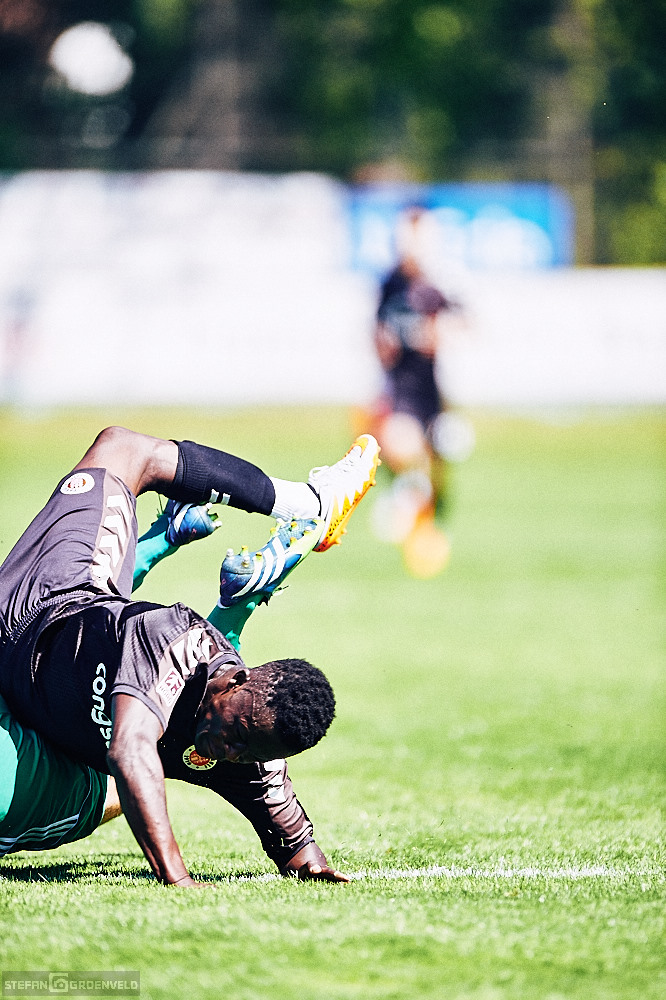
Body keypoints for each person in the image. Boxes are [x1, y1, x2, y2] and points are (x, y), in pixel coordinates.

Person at [0, 427, 380, 886]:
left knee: (117, 788)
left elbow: (295, 840)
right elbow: (129, 748)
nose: (229, 751)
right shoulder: (174, 642)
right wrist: (177, 877)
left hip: (52, 736)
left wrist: (311, 865)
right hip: (40, 608)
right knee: (121, 449)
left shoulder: (250, 750)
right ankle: (309, 504)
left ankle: (213, 580)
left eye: (245, 753)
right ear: (237, 679)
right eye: (237, 733)